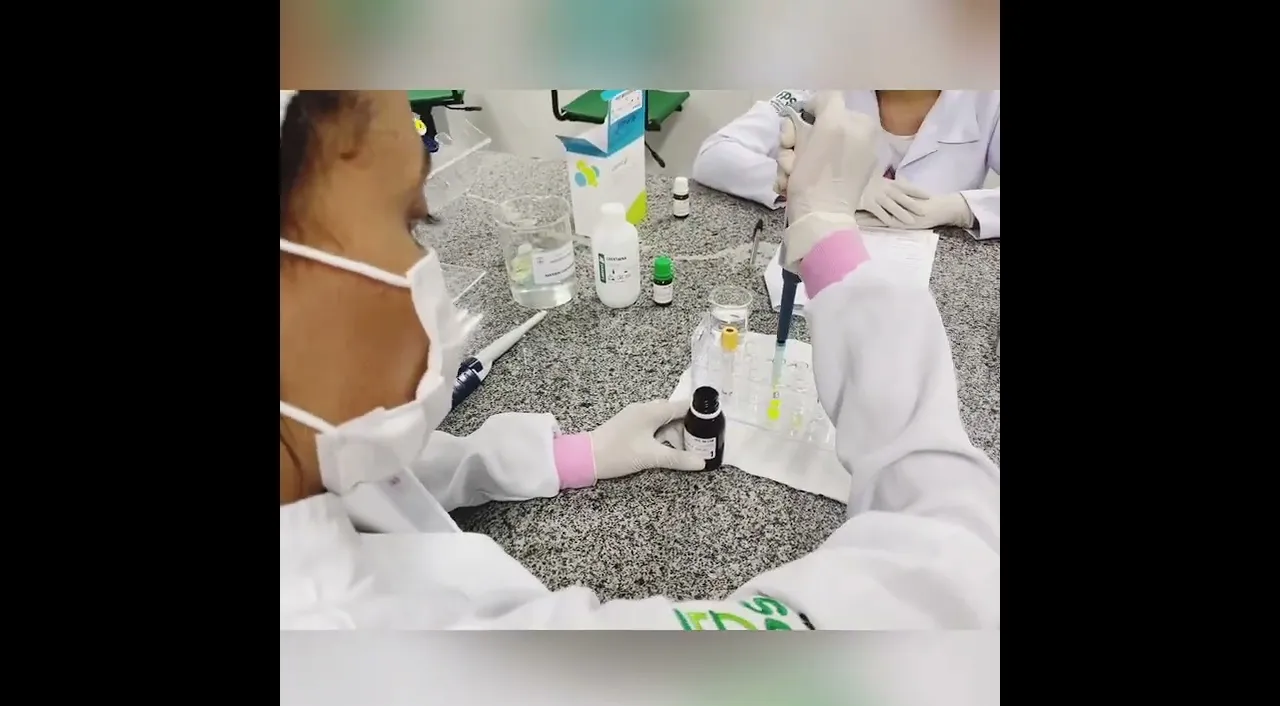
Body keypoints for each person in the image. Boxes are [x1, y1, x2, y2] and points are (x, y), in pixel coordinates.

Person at [279, 90, 1001, 630]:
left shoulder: (311, 461)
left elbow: (370, 482)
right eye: (414, 220)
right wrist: (831, 238)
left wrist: (565, 455)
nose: (432, 267)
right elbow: (957, 566)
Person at [692, 90, 1001, 239]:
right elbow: (715, 154)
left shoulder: (988, 96)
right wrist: (818, 182)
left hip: (935, 278)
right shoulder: (822, 80)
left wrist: (959, 209)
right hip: (825, 262)